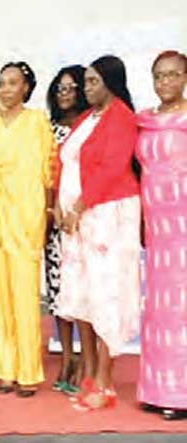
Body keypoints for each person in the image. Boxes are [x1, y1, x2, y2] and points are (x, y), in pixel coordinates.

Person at [55, 55, 141, 411]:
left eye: (92, 82)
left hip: (109, 215)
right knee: (84, 296)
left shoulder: (121, 116)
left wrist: (78, 205)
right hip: (79, 222)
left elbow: (112, 168)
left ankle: (105, 383)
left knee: (107, 295)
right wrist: (60, 208)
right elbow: (65, 164)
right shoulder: (85, 119)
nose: (85, 88)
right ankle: (91, 375)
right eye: (84, 83)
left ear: (110, 82)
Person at [0, 61, 54, 398]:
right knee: (0, 296)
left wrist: (47, 210)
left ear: (26, 87)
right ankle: (5, 371)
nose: (6, 89)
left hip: (27, 215)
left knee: (24, 297)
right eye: (1, 83)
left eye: (13, 83)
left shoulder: (37, 121)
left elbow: (49, 166)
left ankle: (28, 372)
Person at [136, 50, 187, 421]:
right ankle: (157, 388)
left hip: (184, 225)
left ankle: (181, 393)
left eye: (172, 75)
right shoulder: (146, 122)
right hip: (157, 227)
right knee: (158, 307)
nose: (164, 82)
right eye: (158, 76)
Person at [44, 65, 90, 395]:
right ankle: (67, 358)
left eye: (71, 87)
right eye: (59, 88)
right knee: (58, 292)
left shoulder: (90, 126)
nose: (65, 93)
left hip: (86, 219)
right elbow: (44, 174)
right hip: (54, 222)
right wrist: (50, 210)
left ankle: (88, 362)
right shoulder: (46, 130)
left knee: (85, 292)